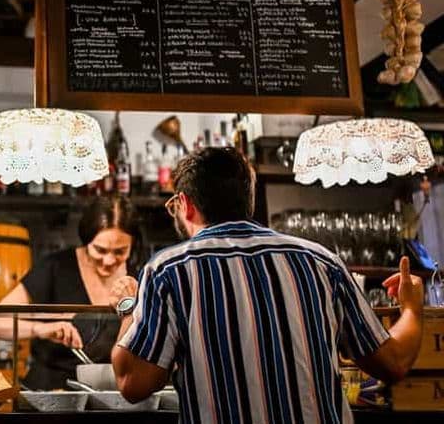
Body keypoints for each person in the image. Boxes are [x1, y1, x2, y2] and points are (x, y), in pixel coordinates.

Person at [110, 147, 424, 424]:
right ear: (249, 197)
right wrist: (411, 308)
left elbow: (133, 383)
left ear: (185, 204)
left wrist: (128, 307)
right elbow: (393, 362)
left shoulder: (169, 270)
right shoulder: (322, 262)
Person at [0, 196, 147, 390]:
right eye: (100, 250)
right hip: (50, 394)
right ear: (87, 240)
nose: (109, 260)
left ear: (132, 245)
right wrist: (40, 329)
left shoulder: (140, 277)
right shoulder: (55, 267)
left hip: (112, 394)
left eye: (120, 251)